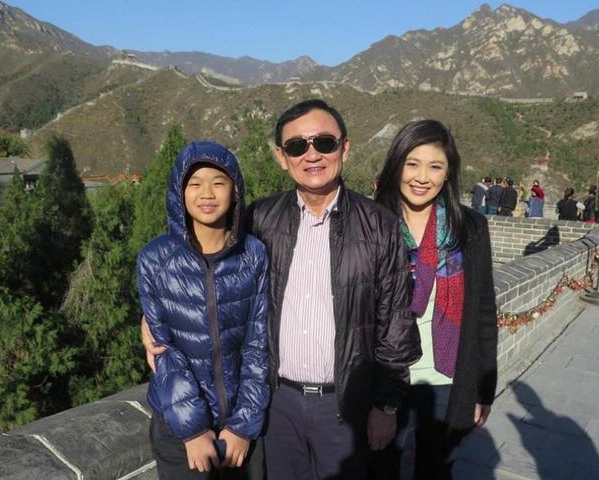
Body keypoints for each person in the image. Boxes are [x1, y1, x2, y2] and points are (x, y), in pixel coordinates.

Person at [144, 99, 421, 479]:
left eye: (324, 142)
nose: (312, 154)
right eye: (296, 146)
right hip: (277, 405)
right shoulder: (260, 219)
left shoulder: (379, 226)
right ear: (281, 157)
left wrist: (386, 405)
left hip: (345, 405)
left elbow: (395, 321)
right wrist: (151, 319)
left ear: (345, 148)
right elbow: (208, 274)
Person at [137, 141, 270, 479]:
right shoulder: (155, 259)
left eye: (218, 182)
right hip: (179, 430)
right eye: (194, 183)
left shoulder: (253, 254)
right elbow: (163, 349)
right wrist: (193, 430)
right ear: (178, 193)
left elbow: (258, 343)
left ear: (235, 191)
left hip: (241, 427)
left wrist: (243, 426)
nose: (207, 193)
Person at [374, 119, 498, 479]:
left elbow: (483, 312)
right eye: (412, 164)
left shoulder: (469, 229)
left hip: (445, 378)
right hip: (385, 379)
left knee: (436, 470)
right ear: (396, 165)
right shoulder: (372, 224)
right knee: (380, 470)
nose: (422, 177)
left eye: (435, 166)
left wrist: (483, 390)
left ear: (448, 173)